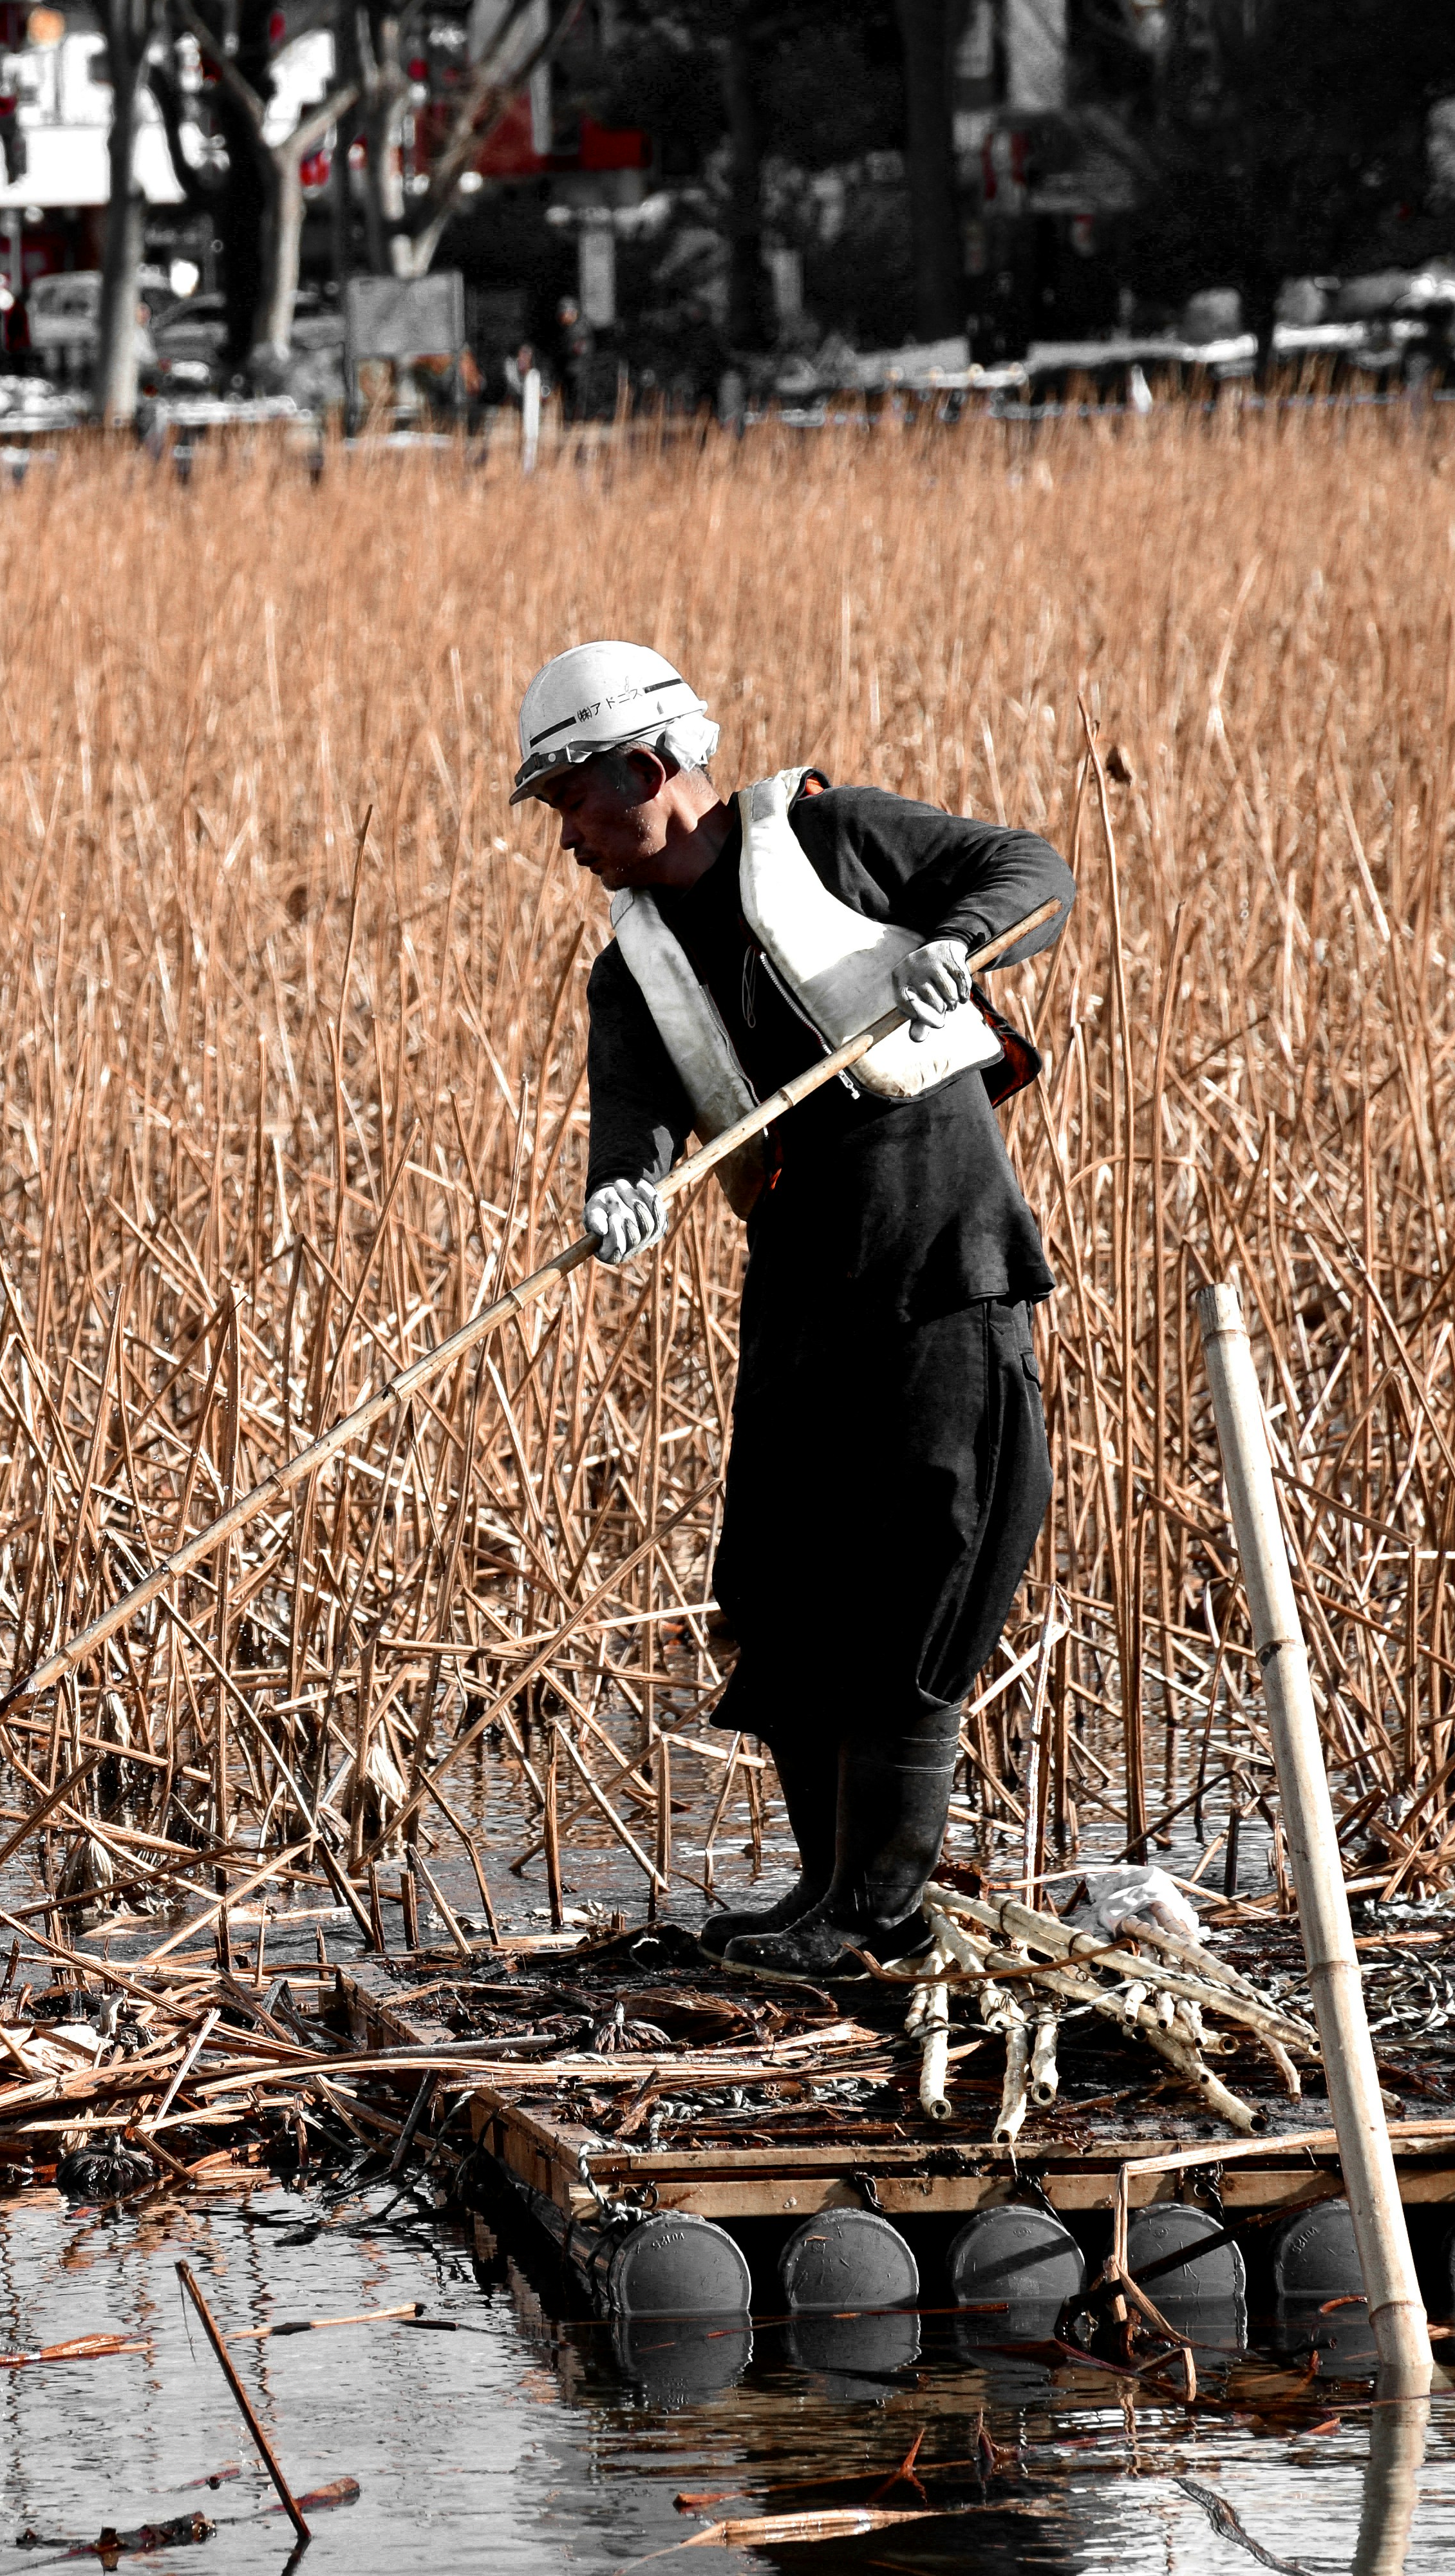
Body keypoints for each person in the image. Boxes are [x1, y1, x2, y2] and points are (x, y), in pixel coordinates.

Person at [513, 641, 1072, 1976]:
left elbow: (1029, 871)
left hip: (941, 1253)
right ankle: (824, 1898)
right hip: (805, 1284)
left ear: (646, 770)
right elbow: (634, 1129)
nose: (567, 837)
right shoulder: (628, 972)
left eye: (570, 802)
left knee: (929, 1552)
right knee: (780, 1576)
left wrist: (952, 944)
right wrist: (623, 1199)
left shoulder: (837, 837)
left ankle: (878, 1911)